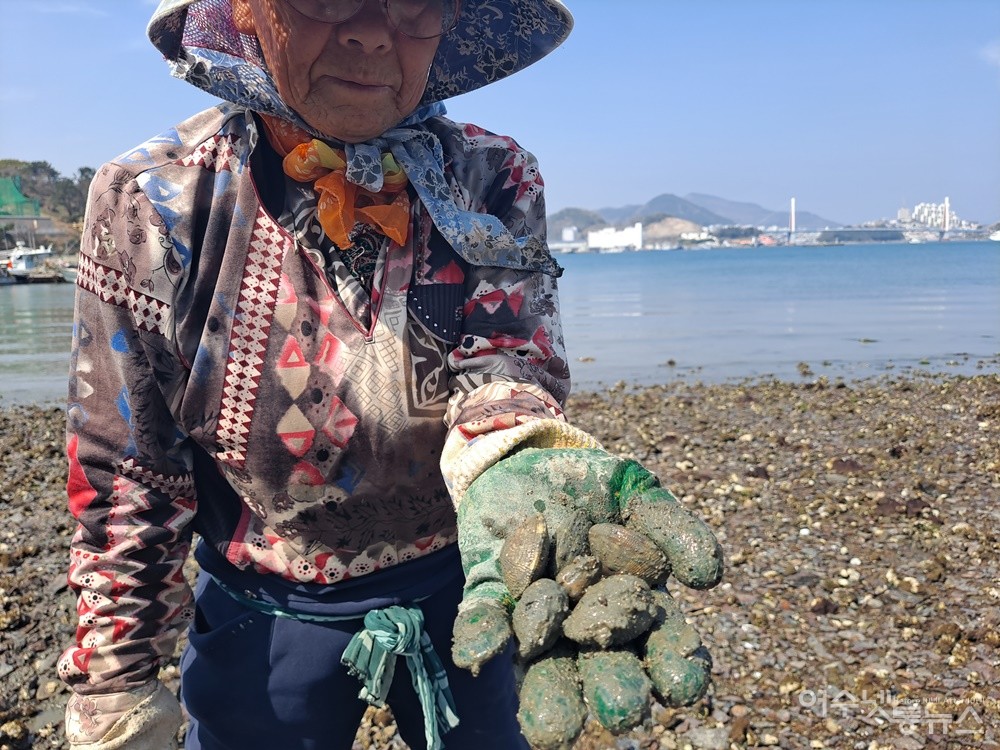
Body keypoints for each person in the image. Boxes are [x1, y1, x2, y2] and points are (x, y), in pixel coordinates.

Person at [59, 1, 723, 748]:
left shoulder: (492, 177)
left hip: (467, 582)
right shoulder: (155, 199)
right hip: (265, 604)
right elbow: (131, 462)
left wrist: (519, 453)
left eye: (414, 6)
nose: (374, 32)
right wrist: (116, 681)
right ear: (246, 13)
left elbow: (507, 355)